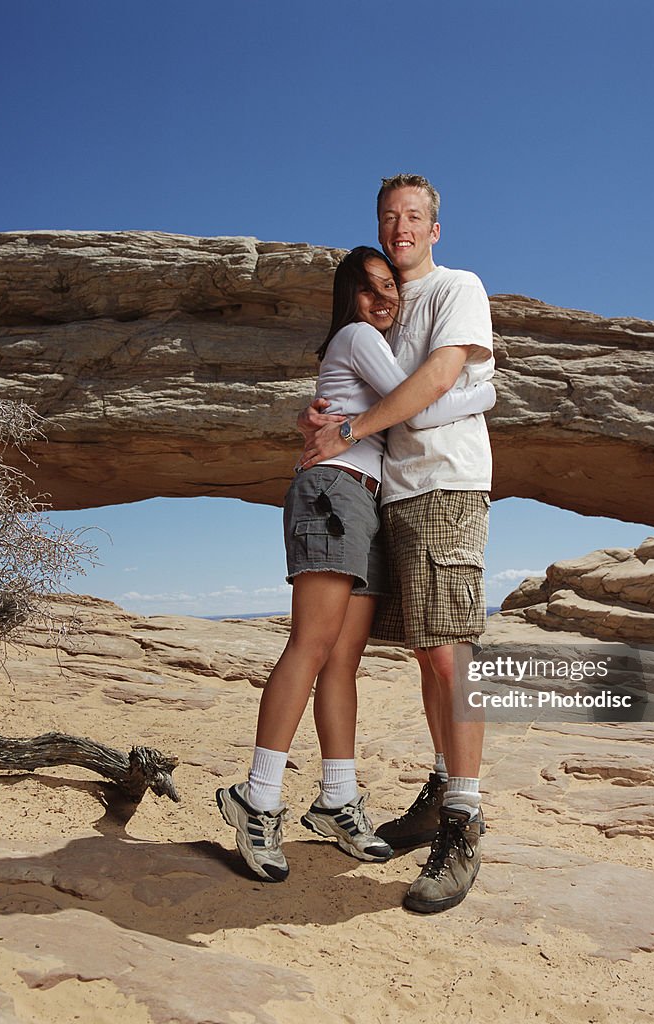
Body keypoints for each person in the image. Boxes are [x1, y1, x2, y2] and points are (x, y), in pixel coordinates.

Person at [216, 245, 495, 883]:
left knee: (344, 661)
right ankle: (257, 799)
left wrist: (338, 420)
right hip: (333, 492)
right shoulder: (357, 335)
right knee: (311, 645)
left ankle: (337, 799)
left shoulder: (372, 343)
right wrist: (483, 394)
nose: (382, 298)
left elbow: (389, 418)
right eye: (368, 289)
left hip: (367, 501)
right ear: (349, 299)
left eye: (388, 287)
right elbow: (418, 403)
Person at [298, 173, 495, 914]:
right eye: (388, 216)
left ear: (434, 228)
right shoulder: (383, 314)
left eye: (413, 216)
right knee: (425, 652)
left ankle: (464, 820)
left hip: (445, 484)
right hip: (395, 491)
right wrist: (322, 417)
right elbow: (388, 394)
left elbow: (436, 385)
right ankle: (443, 786)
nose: (399, 226)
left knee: (450, 652)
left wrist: (350, 427)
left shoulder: (455, 289)